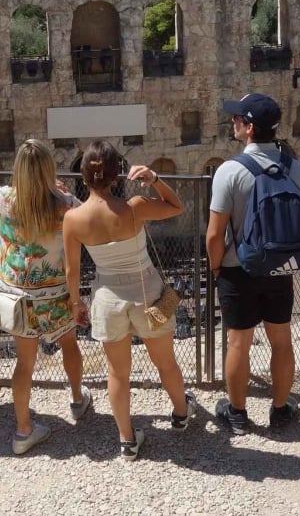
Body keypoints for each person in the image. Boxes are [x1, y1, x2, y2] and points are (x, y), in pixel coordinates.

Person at [63, 141, 197, 461]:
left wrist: (76, 304)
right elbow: (176, 206)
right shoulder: (135, 206)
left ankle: (127, 440)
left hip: (108, 299)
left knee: (117, 373)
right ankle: (181, 413)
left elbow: (71, 271)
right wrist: (154, 179)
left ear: (83, 177)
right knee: (166, 362)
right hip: (148, 293)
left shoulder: (73, 219)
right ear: (117, 175)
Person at [206, 92, 300, 434]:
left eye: (237, 118)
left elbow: (214, 234)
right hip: (280, 266)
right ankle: (280, 411)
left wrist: (216, 267)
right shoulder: (295, 168)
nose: (233, 122)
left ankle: (237, 414)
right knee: (281, 341)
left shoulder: (230, 171)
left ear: (249, 128)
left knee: (239, 342)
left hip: (238, 267)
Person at [0, 138, 94, 455]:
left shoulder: (2, 199)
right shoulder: (66, 204)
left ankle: (23, 431)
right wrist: (59, 191)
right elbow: (84, 214)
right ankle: (77, 399)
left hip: (18, 298)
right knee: (69, 345)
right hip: (56, 296)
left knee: (25, 362)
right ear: (49, 170)